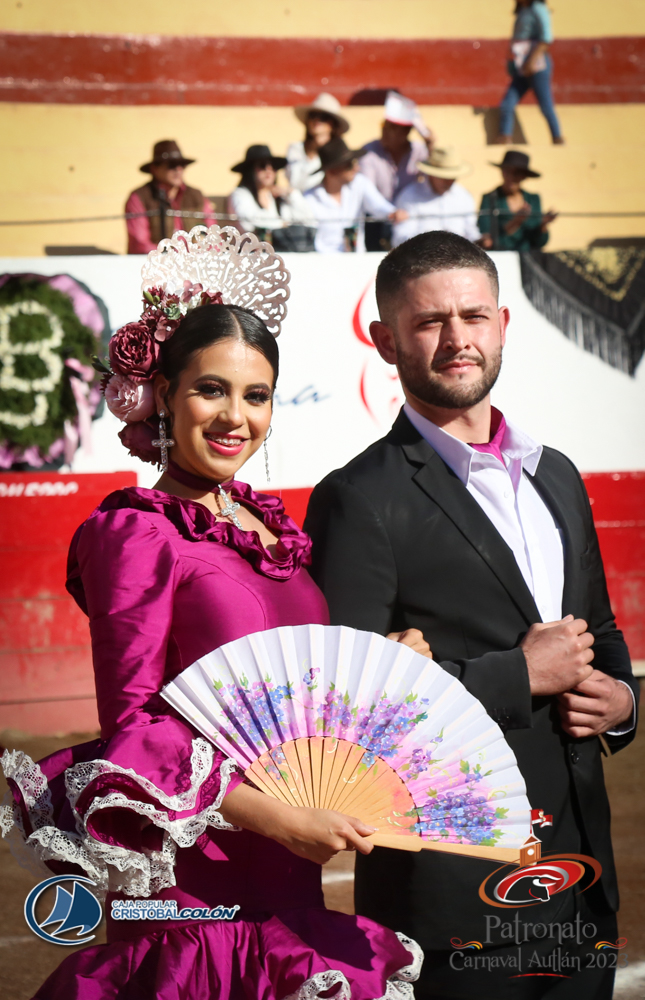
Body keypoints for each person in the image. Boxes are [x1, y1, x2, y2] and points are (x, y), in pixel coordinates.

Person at [0, 231, 424, 998]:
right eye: (211, 390)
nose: (236, 417)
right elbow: (131, 726)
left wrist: (390, 664)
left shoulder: (272, 532)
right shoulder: (135, 531)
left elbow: (296, 693)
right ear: (163, 393)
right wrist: (270, 818)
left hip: (289, 871)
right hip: (197, 890)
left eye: (255, 395)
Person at [305, 231, 638, 1000]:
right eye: (429, 323)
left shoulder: (556, 474)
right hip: (450, 886)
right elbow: (346, 719)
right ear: (386, 341)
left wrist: (620, 704)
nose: (457, 338)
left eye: (473, 316)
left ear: (501, 324)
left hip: (580, 872)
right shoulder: (358, 498)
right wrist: (517, 675)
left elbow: (603, 634)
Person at [359, 92, 435, 252]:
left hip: (408, 219)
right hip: (376, 220)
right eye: (384, 125)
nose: (385, 131)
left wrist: (430, 144)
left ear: (406, 132)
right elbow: (369, 193)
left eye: (392, 128)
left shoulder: (420, 151)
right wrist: (391, 213)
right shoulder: (369, 151)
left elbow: (434, 180)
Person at [305, 138, 407, 253]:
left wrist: (392, 213)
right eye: (349, 165)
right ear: (332, 171)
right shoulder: (309, 199)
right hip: (323, 261)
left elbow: (378, 206)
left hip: (356, 260)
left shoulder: (359, 183)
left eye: (355, 163)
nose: (356, 168)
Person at [125, 140, 215, 254]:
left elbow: (214, 237)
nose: (178, 169)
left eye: (181, 165)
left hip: (195, 264)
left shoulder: (196, 196)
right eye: (171, 165)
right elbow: (140, 244)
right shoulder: (139, 198)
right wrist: (172, 256)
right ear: (154, 169)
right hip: (157, 265)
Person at [496, 0, 564, 145]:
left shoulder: (539, 8)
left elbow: (546, 38)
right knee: (507, 103)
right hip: (521, 64)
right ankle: (505, 137)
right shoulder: (522, 10)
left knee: (546, 105)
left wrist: (531, 62)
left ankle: (558, 138)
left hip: (537, 64)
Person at [392, 147, 480, 247]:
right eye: (444, 177)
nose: (449, 182)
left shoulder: (463, 196)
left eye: (453, 177)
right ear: (431, 174)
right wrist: (430, 241)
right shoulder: (409, 196)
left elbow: (471, 231)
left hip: (459, 257)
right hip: (422, 258)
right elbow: (400, 238)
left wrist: (479, 241)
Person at [228, 144, 314, 240]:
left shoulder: (278, 197)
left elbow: (308, 219)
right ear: (250, 170)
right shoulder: (239, 194)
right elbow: (248, 223)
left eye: (273, 167)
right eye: (262, 166)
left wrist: (291, 193)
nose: (269, 170)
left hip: (281, 252)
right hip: (249, 253)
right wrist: (282, 225)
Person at [478, 149, 557, 251]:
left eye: (517, 173)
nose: (511, 177)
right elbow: (487, 238)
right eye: (508, 172)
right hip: (501, 256)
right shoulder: (490, 198)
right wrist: (515, 221)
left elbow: (539, 242)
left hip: (528, 258)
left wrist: (543, 224)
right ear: (502, 172)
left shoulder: (533, 199)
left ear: (524, 176)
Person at [286, 93, 350, 192]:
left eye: (323, 117)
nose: (317, 120)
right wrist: (312, 153)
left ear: (332, 124)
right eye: (313, 115)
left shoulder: (340, 151)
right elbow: (295, 183)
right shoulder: (296, 148)